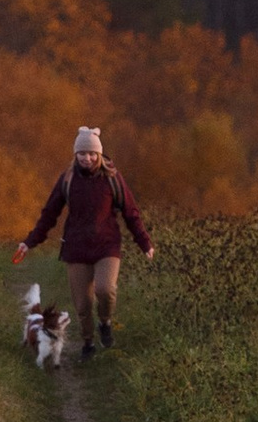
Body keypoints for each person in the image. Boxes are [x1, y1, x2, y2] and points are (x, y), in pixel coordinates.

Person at [15, 124, 155, 366]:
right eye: (82, 153)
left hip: (107, 246)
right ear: (75, 154)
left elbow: (131, 212)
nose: (87, 158)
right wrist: (29, 242)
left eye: (91, 153)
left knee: (105, 289)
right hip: (76, 248)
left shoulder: (112, 178)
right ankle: (89, 343)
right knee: (82, 304)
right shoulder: (67, 180)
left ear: (99, 154)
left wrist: (145, 242)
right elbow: (50, 214)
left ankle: (105, 323)